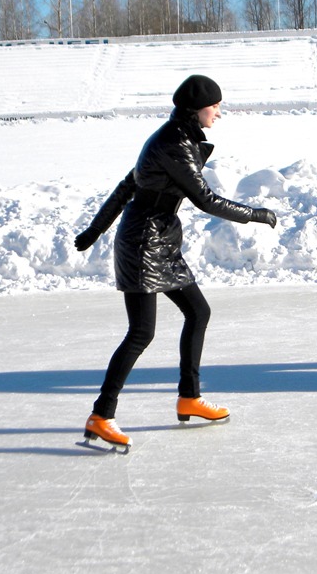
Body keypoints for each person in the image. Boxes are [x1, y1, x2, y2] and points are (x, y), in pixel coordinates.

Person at [74, 74, 278, 449]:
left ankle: (189, 397)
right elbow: (204, 199)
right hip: (142, 245)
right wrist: (255, 214)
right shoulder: (172, 143)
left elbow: (125, 187)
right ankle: (101, 415)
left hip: (160, 242)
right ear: (196, 108)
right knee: (141, 333)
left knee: (198, 312)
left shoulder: (176, 138)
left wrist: (94, 231)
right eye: (214, 105)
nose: (218, 112)